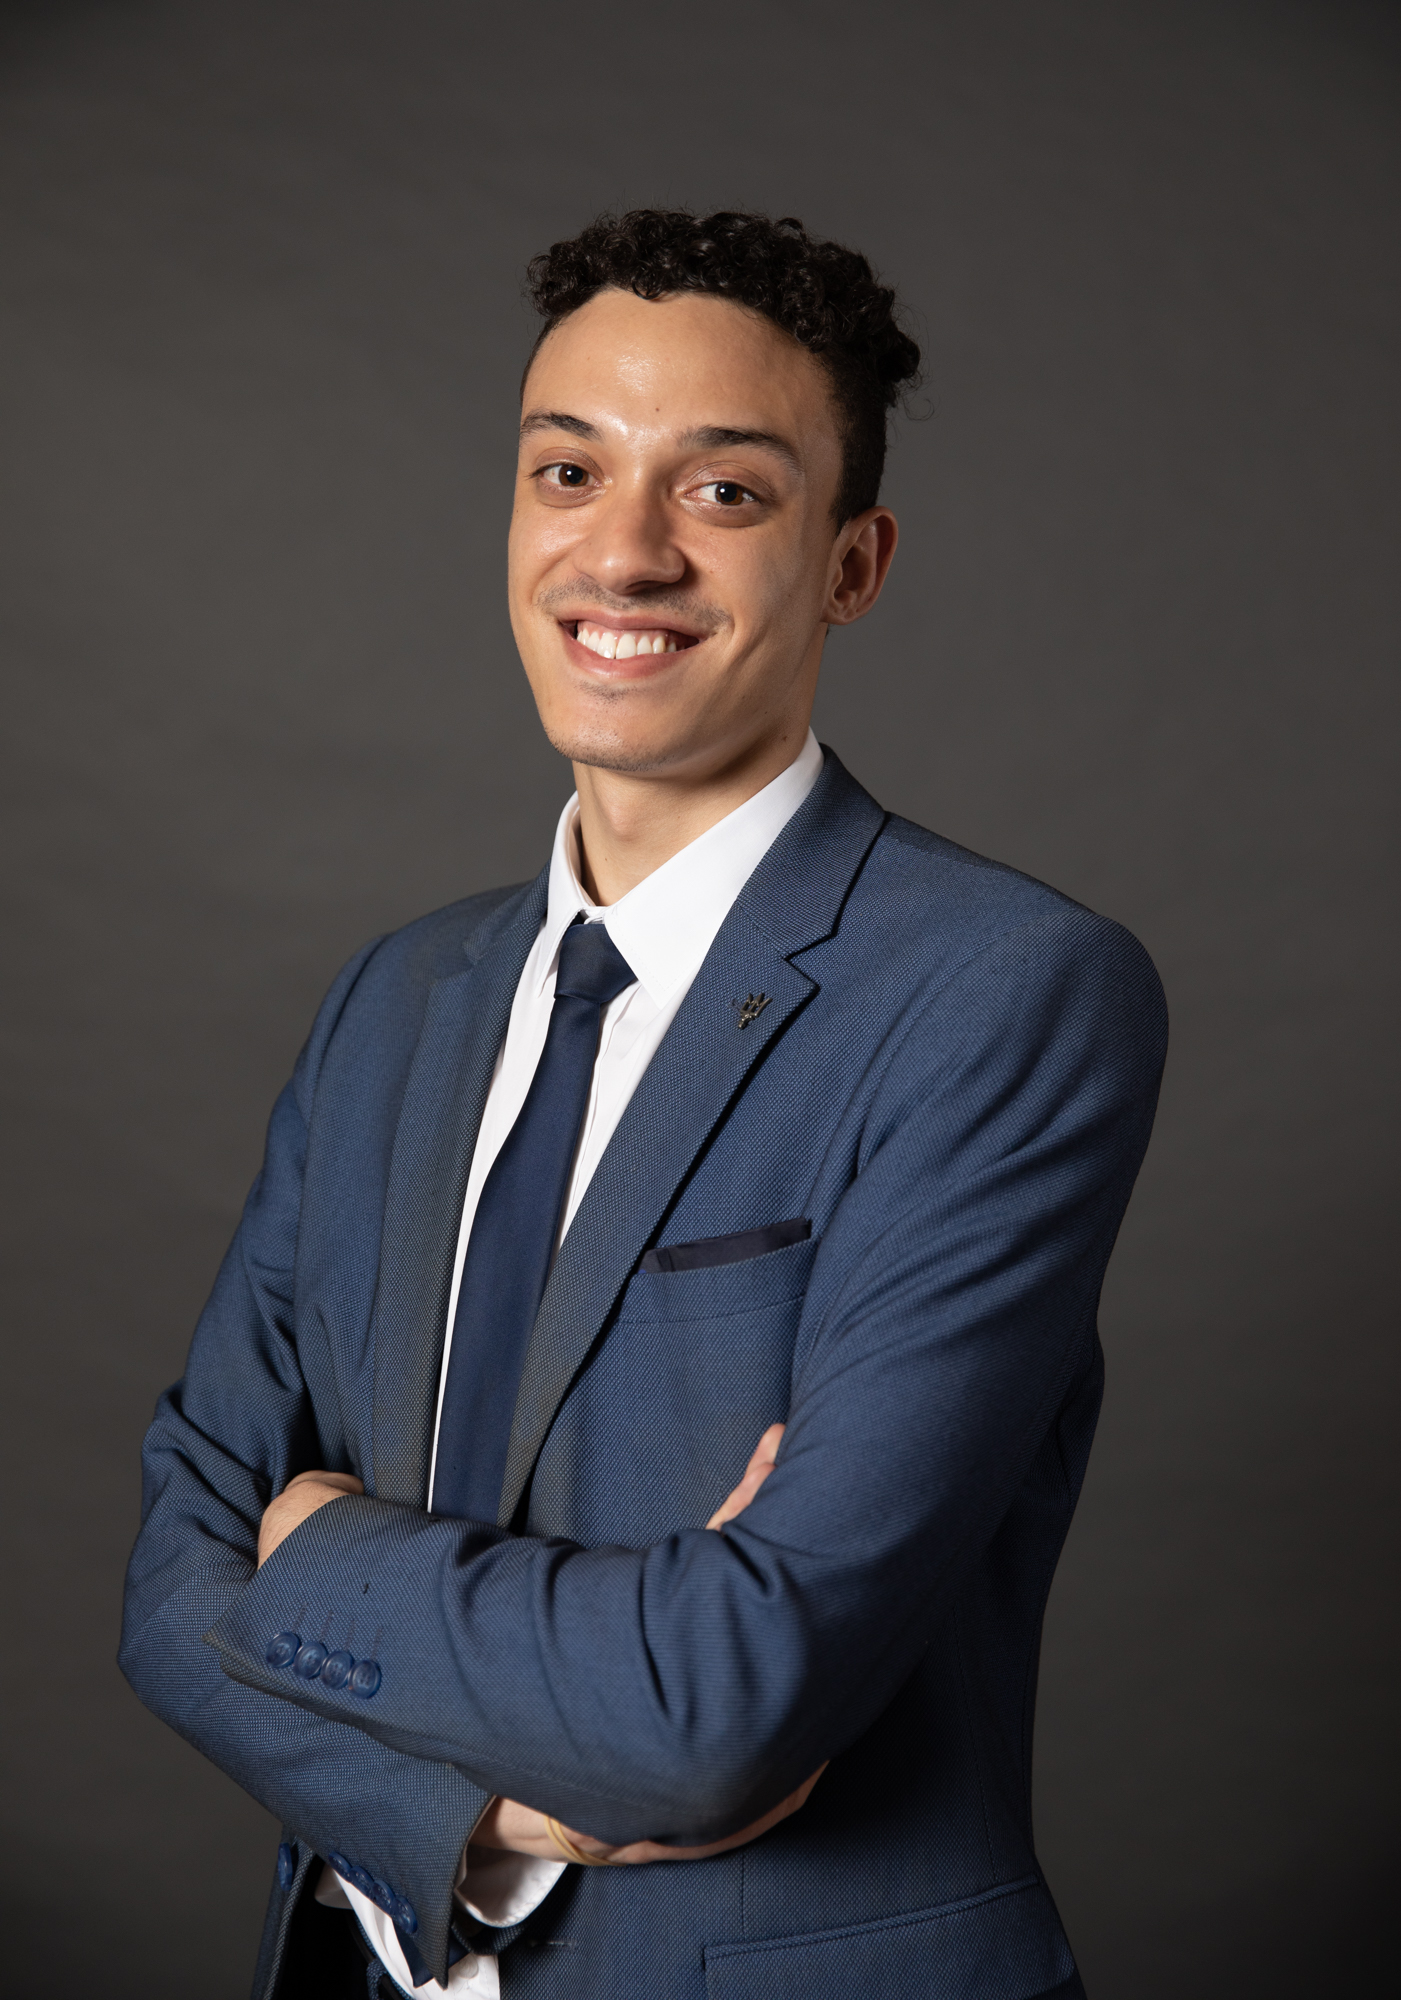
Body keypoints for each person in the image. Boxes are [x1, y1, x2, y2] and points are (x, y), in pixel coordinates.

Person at [121, 208, 1166, 2000]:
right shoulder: (393, 1000)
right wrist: (474, 1823)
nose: (622, 552)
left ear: (851, 564)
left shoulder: (1002, 994)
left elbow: (718, 1705)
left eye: (725, 491)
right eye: (567, 471)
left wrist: (316, 1552)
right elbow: (169, 1587)